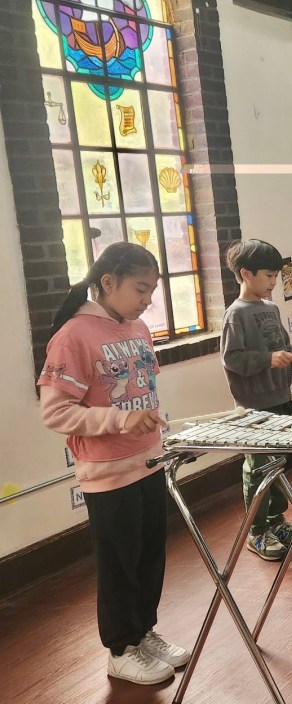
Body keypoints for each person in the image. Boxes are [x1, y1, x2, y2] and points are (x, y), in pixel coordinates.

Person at [37, 242, 189, 686]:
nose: (147, 300)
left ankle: (143, 633)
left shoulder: (137, 328)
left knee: (149, 557)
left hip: (149, 461)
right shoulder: (73, 335)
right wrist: (121, 419)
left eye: (152, 291)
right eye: (141, 289)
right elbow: (56, 412)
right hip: (107, 473)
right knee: (119, 561)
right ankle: (120, 649)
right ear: (108, 282)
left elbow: (140, 388)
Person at [221, 239, 292, 561]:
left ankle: (277, 521)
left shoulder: (271, 308)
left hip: (280, 397)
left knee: (280, 464)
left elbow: (283, 346)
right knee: (258, 468)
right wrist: (266, 359)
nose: (274, 282)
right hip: (253, 406)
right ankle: (257, 531)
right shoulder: (236, 315)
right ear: (246, 274)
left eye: (277, 276)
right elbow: (232, 359)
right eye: (269, 276)